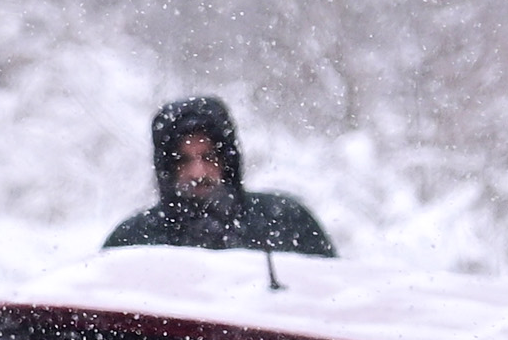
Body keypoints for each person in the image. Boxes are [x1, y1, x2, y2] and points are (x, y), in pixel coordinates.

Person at [101, 96, 335, 257]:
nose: (198, 173)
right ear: (167, 169)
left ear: (228, 161)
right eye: (183, 161)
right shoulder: (134, 241)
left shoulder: (284, 222)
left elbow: (329, 300)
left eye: (209, 157)